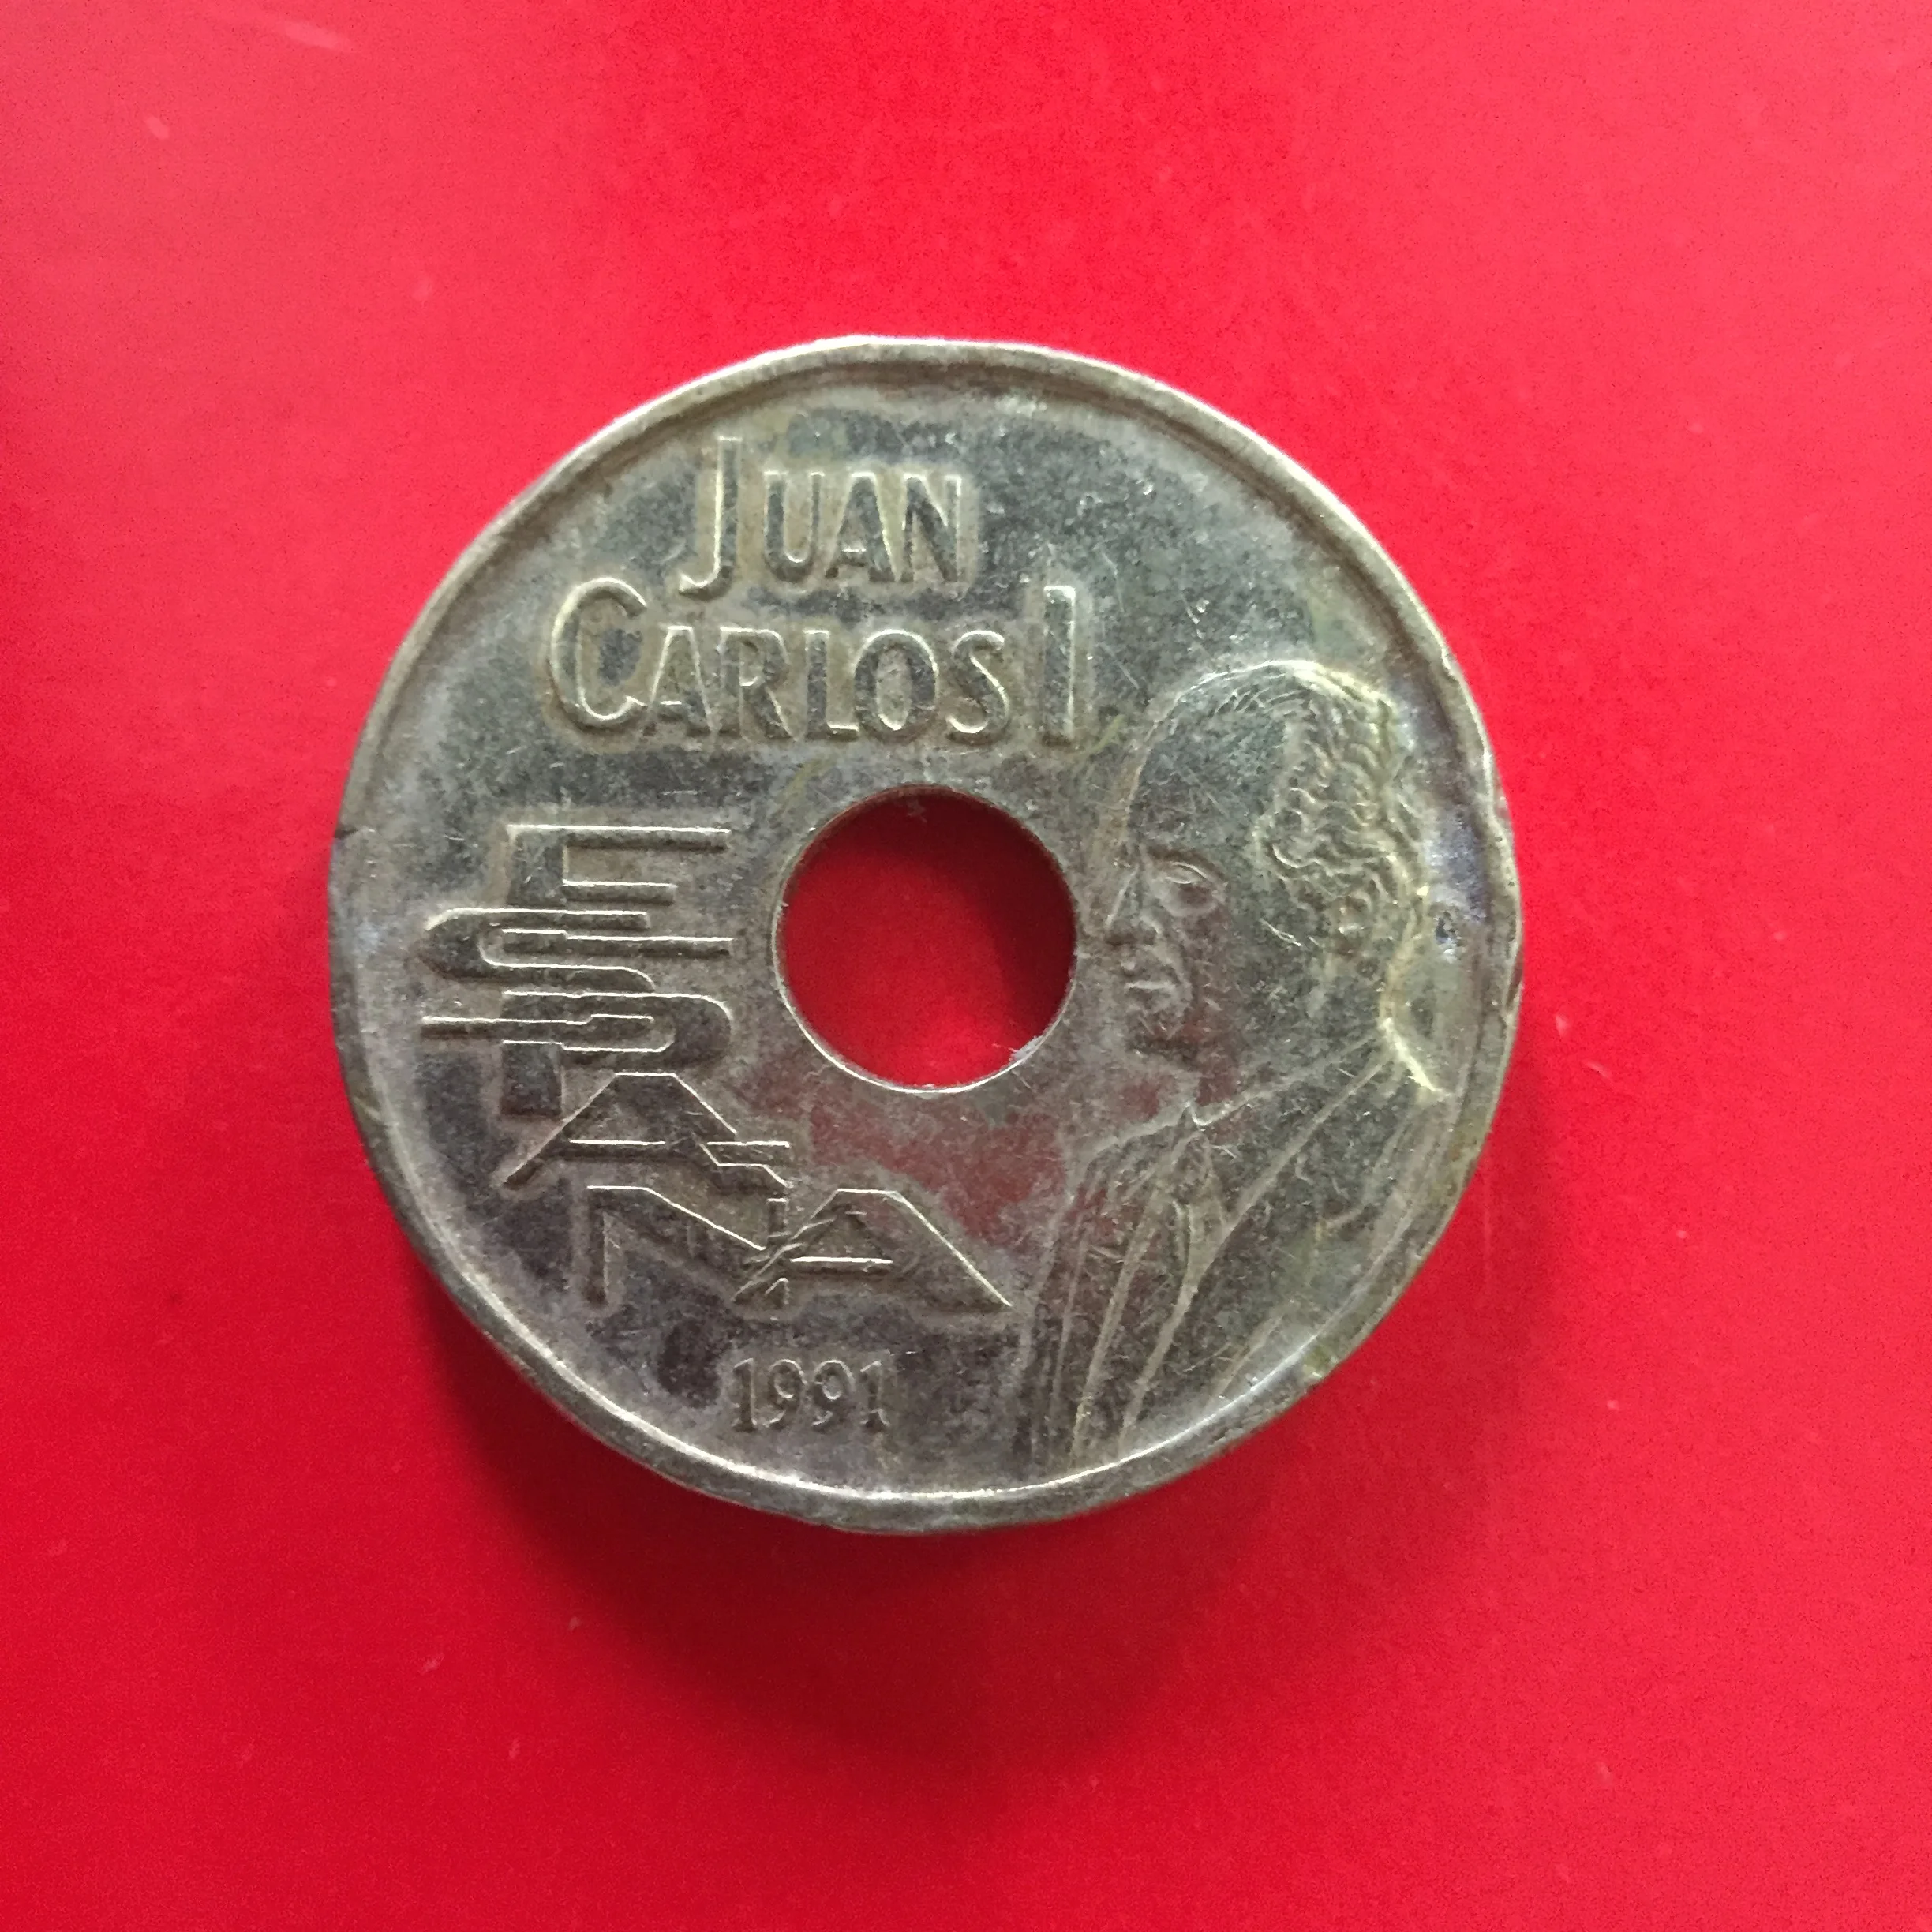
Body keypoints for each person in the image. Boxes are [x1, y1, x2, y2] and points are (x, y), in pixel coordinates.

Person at [1016, 658, 1444, 1474]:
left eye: (1181, 879)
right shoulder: (1114, 1191)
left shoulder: (1398, 1153)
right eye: (1129, 870)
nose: (1115, 922)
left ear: (1343, 906)